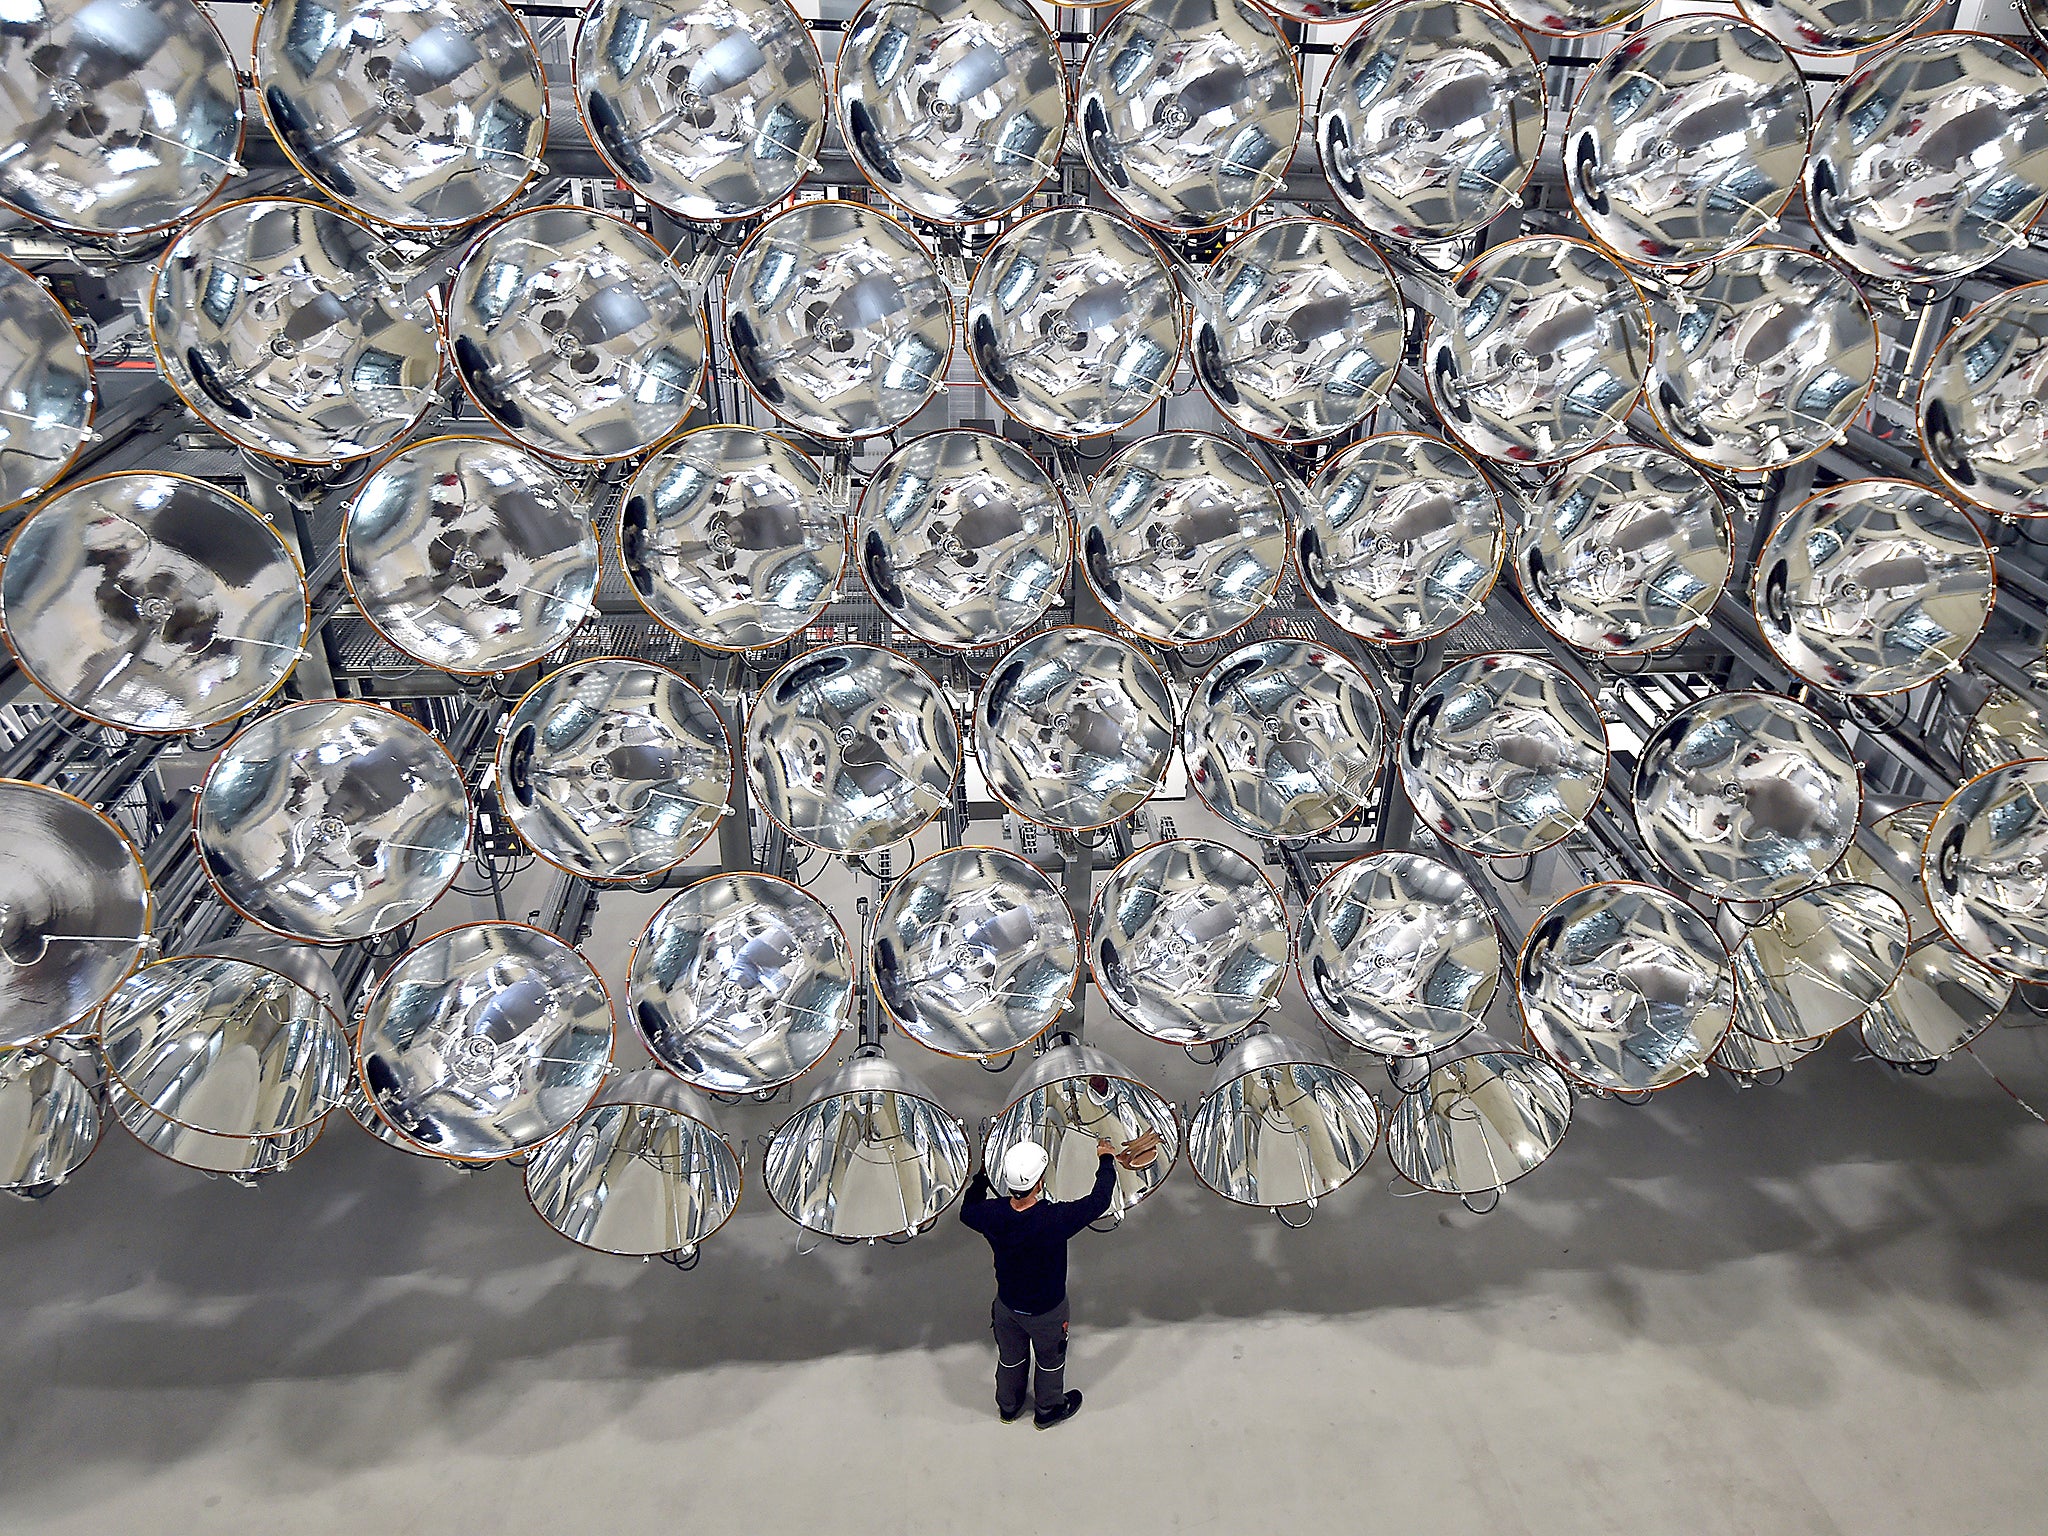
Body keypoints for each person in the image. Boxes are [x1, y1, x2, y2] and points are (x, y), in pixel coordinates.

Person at [960, 1130, 1161, 1429]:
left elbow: (967, 1211)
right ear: (1039, 1183)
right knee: (1050, 1361)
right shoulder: (1053, 1219)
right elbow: (1099, 1201)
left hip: (1008, 1307)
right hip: (1047, 1311)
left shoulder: (993, 1214)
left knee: (1010, 1358)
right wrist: (1106, 1159)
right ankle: (1048, 1409)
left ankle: (1008, 1406)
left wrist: (980, 1177)